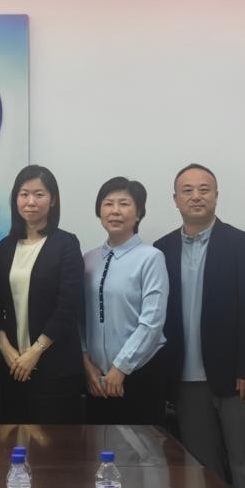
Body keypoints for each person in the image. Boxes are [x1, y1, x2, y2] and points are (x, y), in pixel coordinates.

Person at [154, 164, 245, 488]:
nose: (196, 196)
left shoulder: (240, 243)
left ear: (216, 196)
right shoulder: (162, 249)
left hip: (236, 378)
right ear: (175, 199)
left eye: (204, 189)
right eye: (187, 190)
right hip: (185, 380)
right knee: (201, 469)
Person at [0, 164, 84, 424]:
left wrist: (35, 352)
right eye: (24, 194)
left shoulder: (66, 244)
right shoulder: (5, 247)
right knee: (11, 442)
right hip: (11, 365)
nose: (30, 201)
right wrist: (5, 348)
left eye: (39, 194)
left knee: (52, 444)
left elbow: (67, 306)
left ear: (53, 200)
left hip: (54, 367)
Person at [81, 176, 169, 426]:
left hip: (140, 374)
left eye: (124, 204)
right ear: (99, 211)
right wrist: (87, 366)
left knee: (142, 448)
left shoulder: (151, 258)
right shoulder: (88, 259)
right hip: (96, 378)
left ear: (138, 213)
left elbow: (152, 322)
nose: (115, 211)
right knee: (97, 446)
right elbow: (79, 318)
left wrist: (121, 368)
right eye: (108, 204)